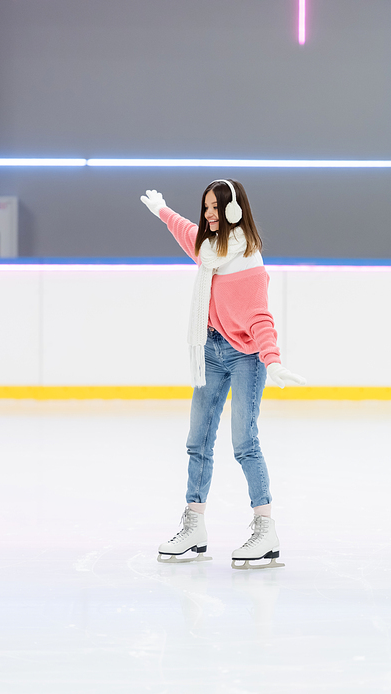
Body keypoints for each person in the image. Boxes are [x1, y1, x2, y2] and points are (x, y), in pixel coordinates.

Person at [140, 179, 305, 569]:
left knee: (244, 443)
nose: (210, 215)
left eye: (217, 208)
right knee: (198, 440)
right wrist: (162, 211)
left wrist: (272, 359)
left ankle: (266, 530)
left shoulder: (248, 260)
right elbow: (185, 229)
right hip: (211, 350)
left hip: (246, 355)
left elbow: (260, 317)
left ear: (234, 210)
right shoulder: (207, 249)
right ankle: (194, 525)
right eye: (207, 208)